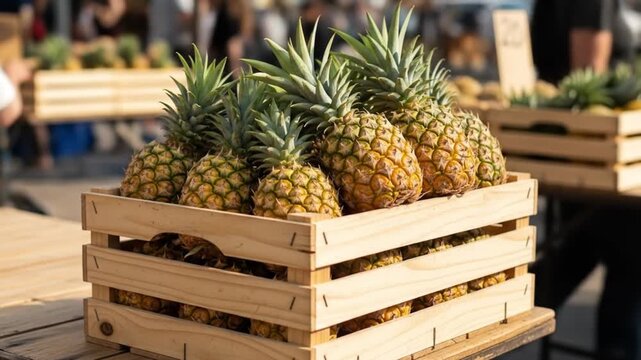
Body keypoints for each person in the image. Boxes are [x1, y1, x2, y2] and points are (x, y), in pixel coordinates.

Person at [531, 1, 641, 359]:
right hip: (592, 155)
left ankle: (511, 304)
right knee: (630, 264)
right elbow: (588, 73)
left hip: (576, 151)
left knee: (578, 250)